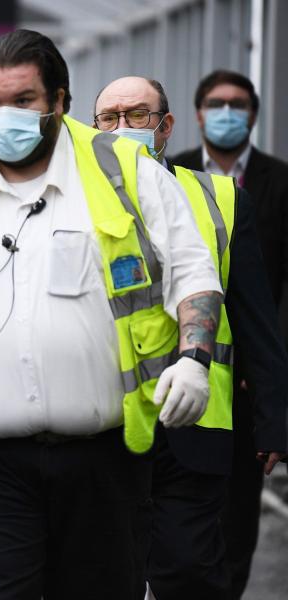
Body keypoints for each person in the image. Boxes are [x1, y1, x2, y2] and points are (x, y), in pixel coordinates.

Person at [0, 29, 222, 598]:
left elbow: (193, 273)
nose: (4, 115)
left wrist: (194, 359)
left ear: (60, 101)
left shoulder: (126, 172)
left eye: (23, 100)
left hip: (105, 454)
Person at [95, 75, 288, 600]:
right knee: (106, 566)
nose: (121, 128)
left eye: (136, 116)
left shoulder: (218, 198)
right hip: (98, 420)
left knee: (189, 568)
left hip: (196, 418)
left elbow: (256, 317)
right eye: (108, 119)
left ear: (166, 126)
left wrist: (273, 420)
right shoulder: (71, 203)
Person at [170, 70, 288, 598]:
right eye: (215, 103)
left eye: (236, 104)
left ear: (254, 114)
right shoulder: (168, 179)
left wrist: (270, 390)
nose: (225, 112)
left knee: (236, 513)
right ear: (197, 114)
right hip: (182, 376)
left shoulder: (280, 183)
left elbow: (270, 296)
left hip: (242, 380)